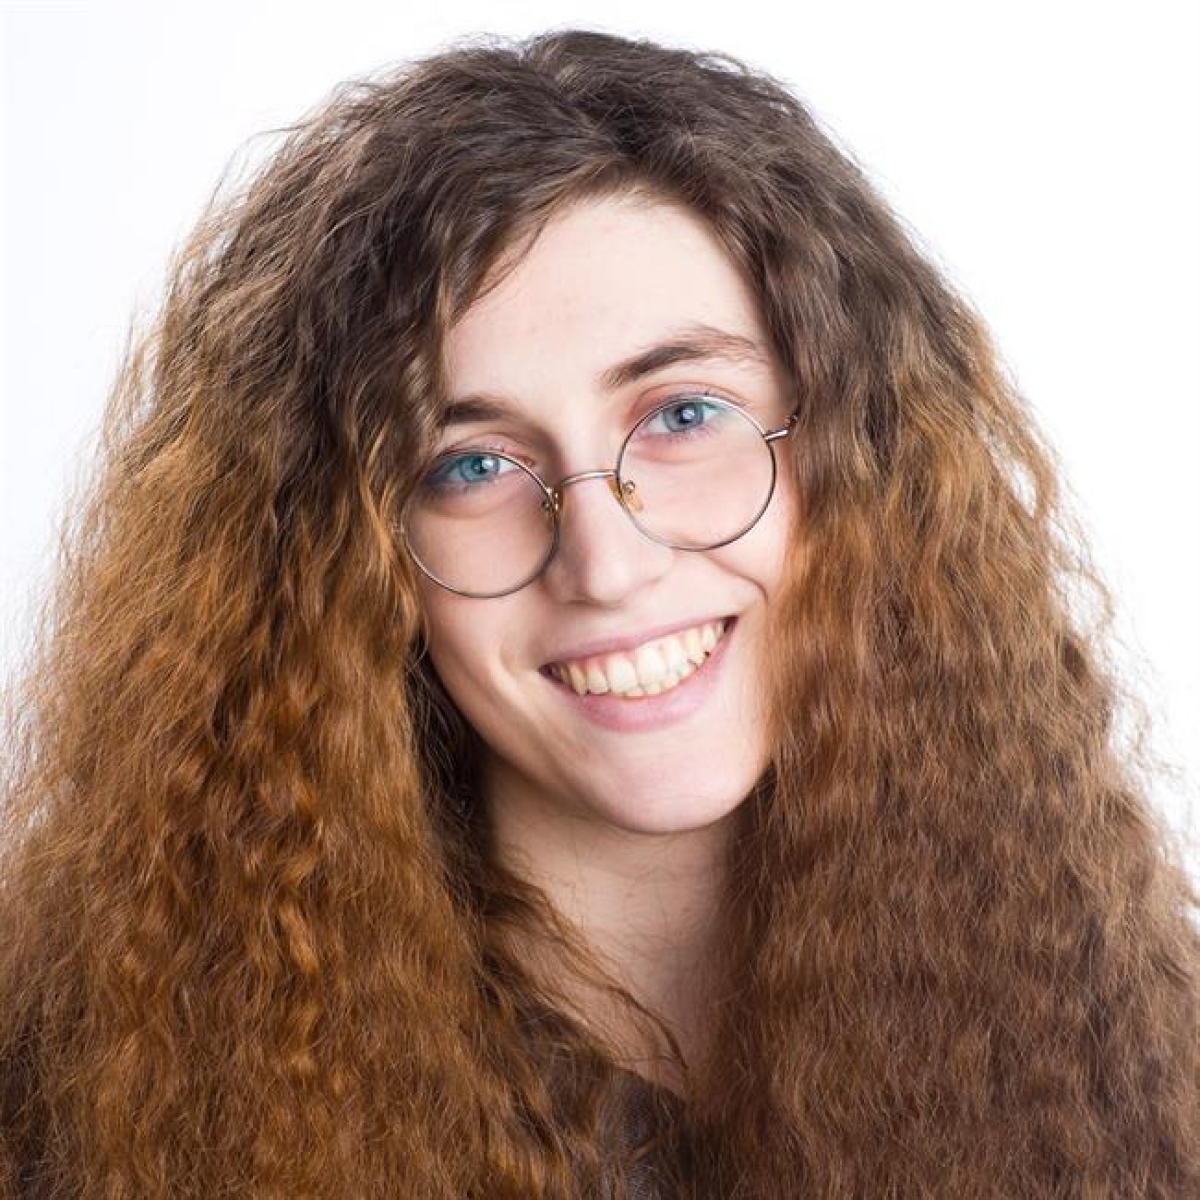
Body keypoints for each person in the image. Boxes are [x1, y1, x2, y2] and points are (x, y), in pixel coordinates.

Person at [0, 27, 1196, 1200]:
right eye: (471, 466)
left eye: (683, 415)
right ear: (343, 563)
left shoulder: (1139, 1058)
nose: (606, 562)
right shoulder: (78, 1117)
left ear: (861, 458)